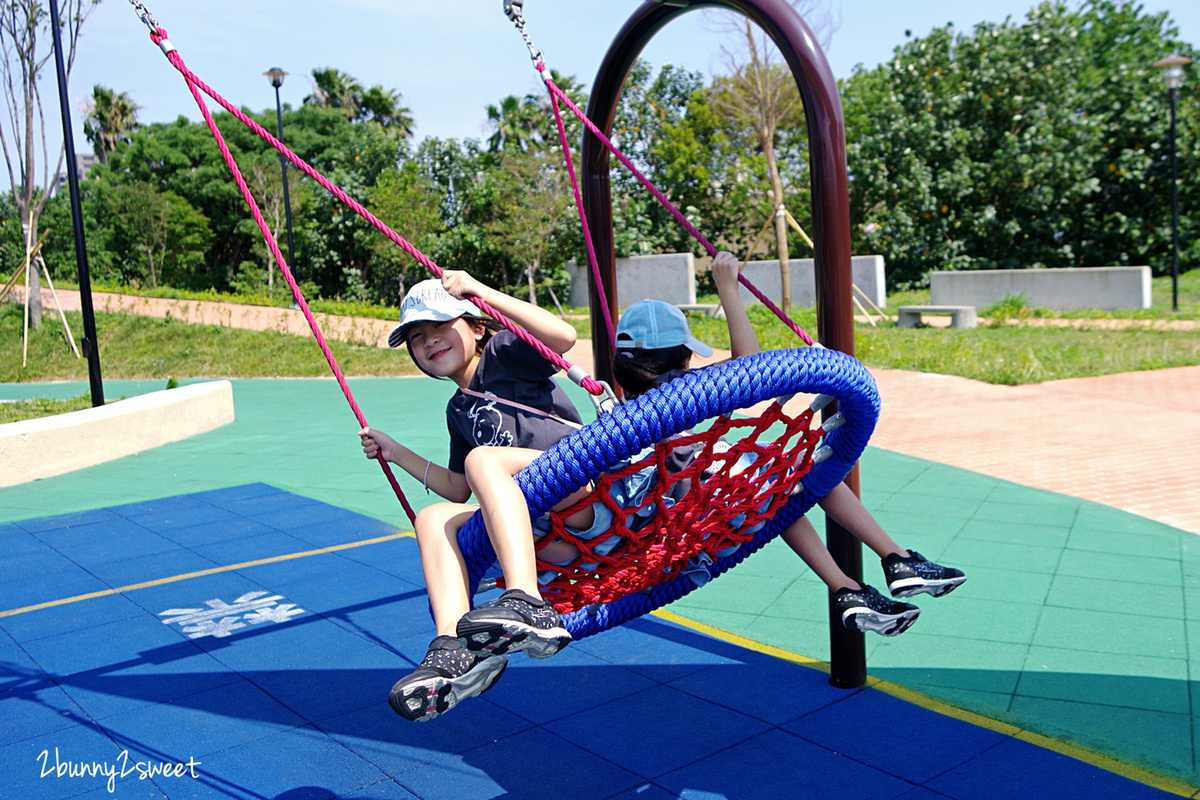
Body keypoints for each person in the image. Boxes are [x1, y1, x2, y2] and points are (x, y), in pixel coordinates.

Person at [610, 251, 966, 636]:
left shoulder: (619, 408)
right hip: (697, 514)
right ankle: (897, 557)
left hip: (663, 526)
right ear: (682, 358)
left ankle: (847, 589)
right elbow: (748, 365)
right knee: (804, 474)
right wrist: (727, 287)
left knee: (779, 488)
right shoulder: (681, 390)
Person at [360, 270, 586, 722]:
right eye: (417, 337)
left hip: (583, 494)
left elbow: (563, 336)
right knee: (433, 517)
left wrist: (481, 293)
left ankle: (526, 600)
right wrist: (395, 451)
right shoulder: (458, 407)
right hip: (546, 533)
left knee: (484, 459)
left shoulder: (505, 354)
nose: (429, 343)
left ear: (477, 325)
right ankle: (451, 649)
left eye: (440, 327)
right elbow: (459, 488)